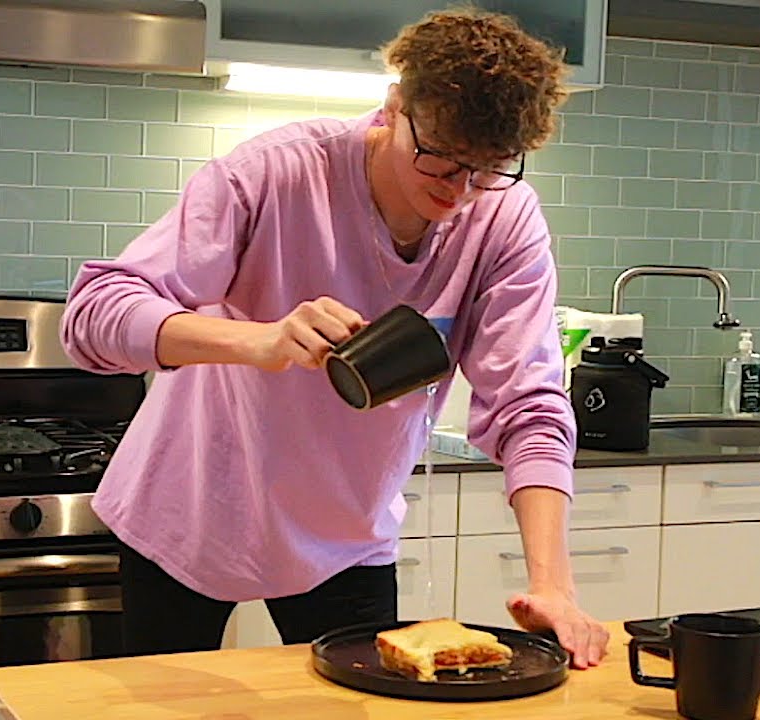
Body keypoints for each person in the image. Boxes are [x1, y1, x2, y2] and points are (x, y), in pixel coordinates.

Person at [60, 6, 610, 668]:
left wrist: (553, 586)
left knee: (361, 703)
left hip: (346, 537)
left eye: (488, 168)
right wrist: (258, 341)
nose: (461, 192)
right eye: (439, 160)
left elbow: (528, 404)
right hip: (189, 513)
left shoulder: (503, 217)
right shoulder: (277, 172)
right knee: (168, 706)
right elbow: (93, 315)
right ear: (395, 107)